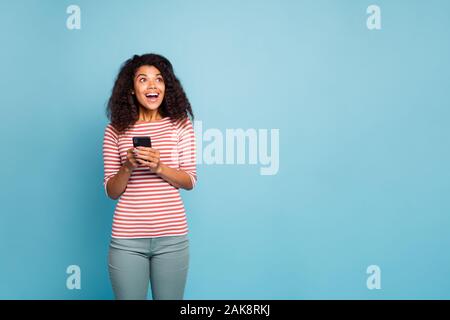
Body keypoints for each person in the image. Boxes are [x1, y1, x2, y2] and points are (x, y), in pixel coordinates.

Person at [102, 53, 196, 300]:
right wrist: (128, 166)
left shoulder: (180, 125)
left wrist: (159, 167)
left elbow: (190, 180)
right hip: (127, 240)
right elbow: (112, 191)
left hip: (172, 238)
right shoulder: (115, 130)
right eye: (143, 80)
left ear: (167, 87)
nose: (152, 85)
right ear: (132, 89)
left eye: (159, 80)